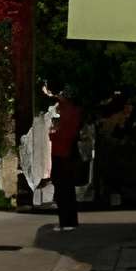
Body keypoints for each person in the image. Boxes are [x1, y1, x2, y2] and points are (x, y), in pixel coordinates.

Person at [49, 90, 84, 230]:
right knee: (67, 188)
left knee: (62, 188)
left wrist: (52, 135)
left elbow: (63, 133)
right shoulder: (73, 111)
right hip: (66, 152)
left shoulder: (66, 111)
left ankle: (66, 221)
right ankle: (70, 221)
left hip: (62, 152)